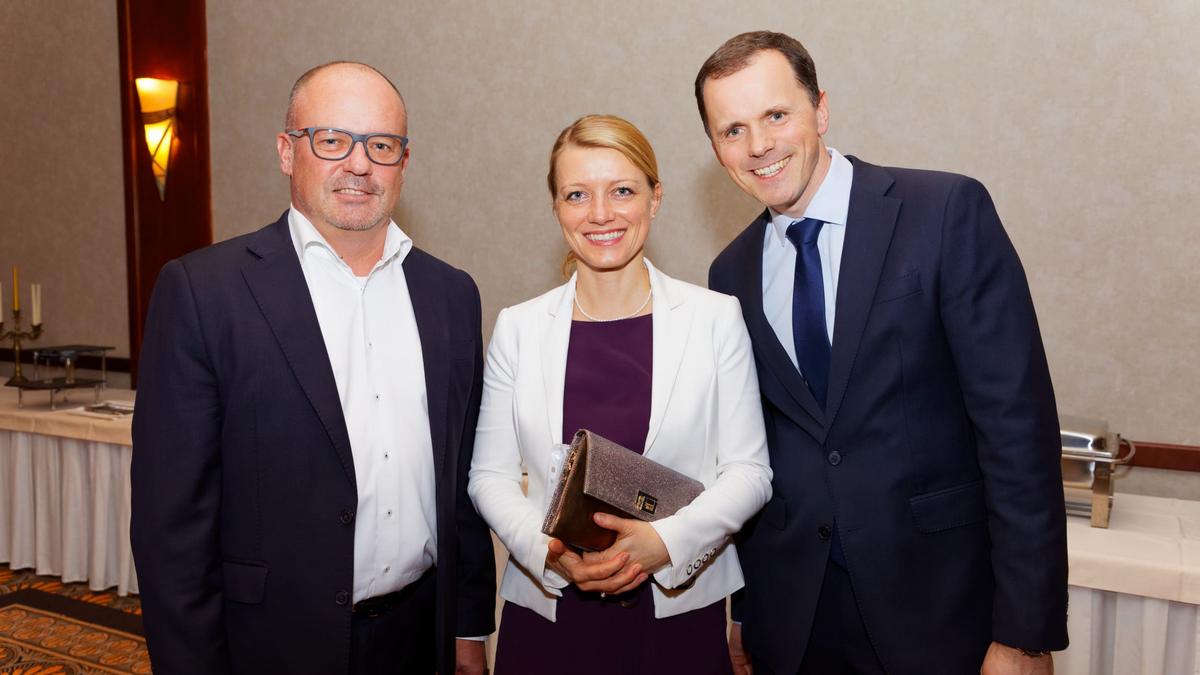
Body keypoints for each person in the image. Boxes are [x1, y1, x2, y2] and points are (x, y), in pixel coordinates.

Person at [698, 32, 1068, 675]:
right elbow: (755, 453)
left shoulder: (944, 212)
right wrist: (744, 613)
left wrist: (1024, 635)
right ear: (715, 147)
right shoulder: (730, 272)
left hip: (941, 610)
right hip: (795, 625)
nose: (758, 145)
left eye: (776, 115)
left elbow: (1017, 430)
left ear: (821, 109)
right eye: (733, 130)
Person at [130, 61, 495, 675]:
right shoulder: (204, 292)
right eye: (331, 140)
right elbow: (171, 525)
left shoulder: (451, 295)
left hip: (418, 636)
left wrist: (467, 629)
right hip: (270, 644)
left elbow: (460, 485)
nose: (359, 164)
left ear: (404, 162)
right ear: (286, 152)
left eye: (381, 145)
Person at [468, 114, 773, 675]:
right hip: (549, 613)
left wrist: (664, 541)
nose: (601, 214)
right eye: (577, 194)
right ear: (556, 208)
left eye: (623, 191)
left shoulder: (714, 319)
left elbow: (749, 472)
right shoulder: (519, 327)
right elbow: (489, 475)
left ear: (656, 198)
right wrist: (550, 554)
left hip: (676, 613)